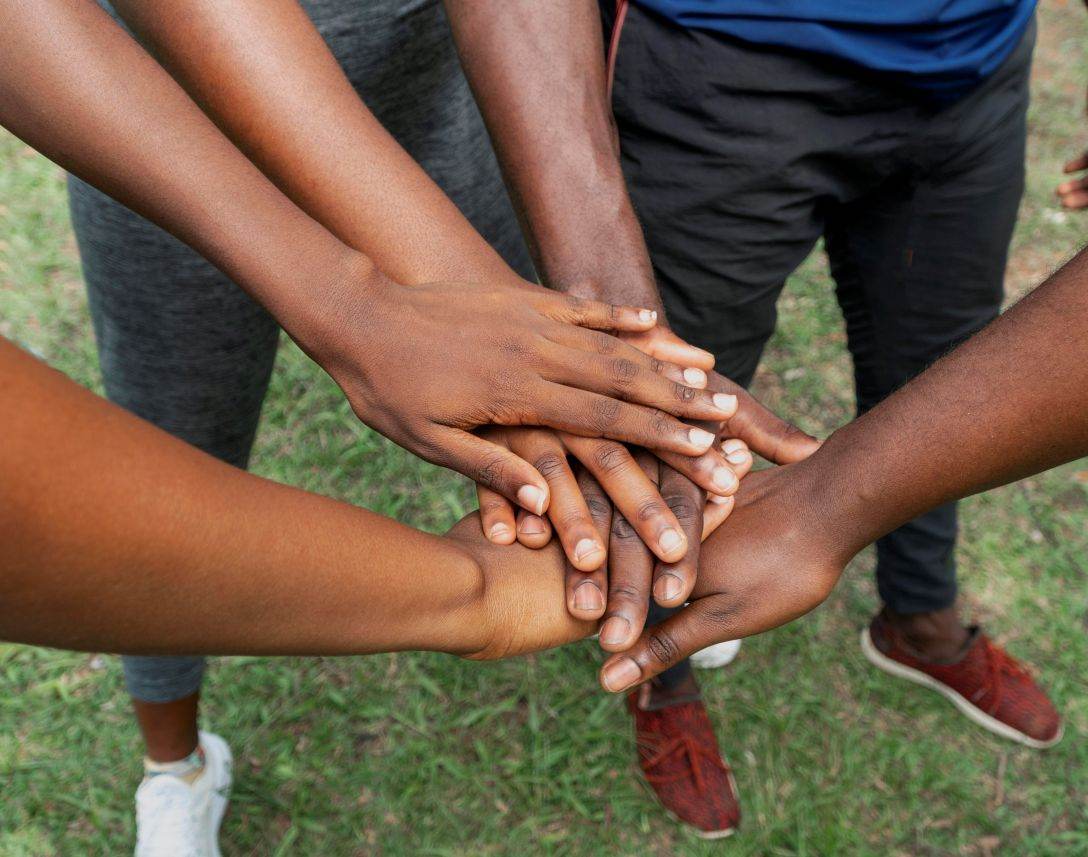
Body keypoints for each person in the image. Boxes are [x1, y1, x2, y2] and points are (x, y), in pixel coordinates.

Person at [5, 148, 1088, 851]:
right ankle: (174, 759)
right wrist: (471, 589)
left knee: (552, 375)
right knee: (173, 419)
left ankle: (855, 615)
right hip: (175, 127)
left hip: (413, 111)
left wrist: (359, 292)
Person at [2, 1, 812, 852]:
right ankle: (175, 764)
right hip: (140, 116)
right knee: (172, 436)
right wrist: (476, 590)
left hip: (427, 95)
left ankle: (630, 565)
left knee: (532, 378)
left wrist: (586, 340)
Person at [443, 0, 1088, 833]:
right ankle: (661, 661)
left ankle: (920, 614)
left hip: (971, 71)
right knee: (671, 416)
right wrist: (608, 312)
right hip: (723, 61)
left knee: (940, 374)